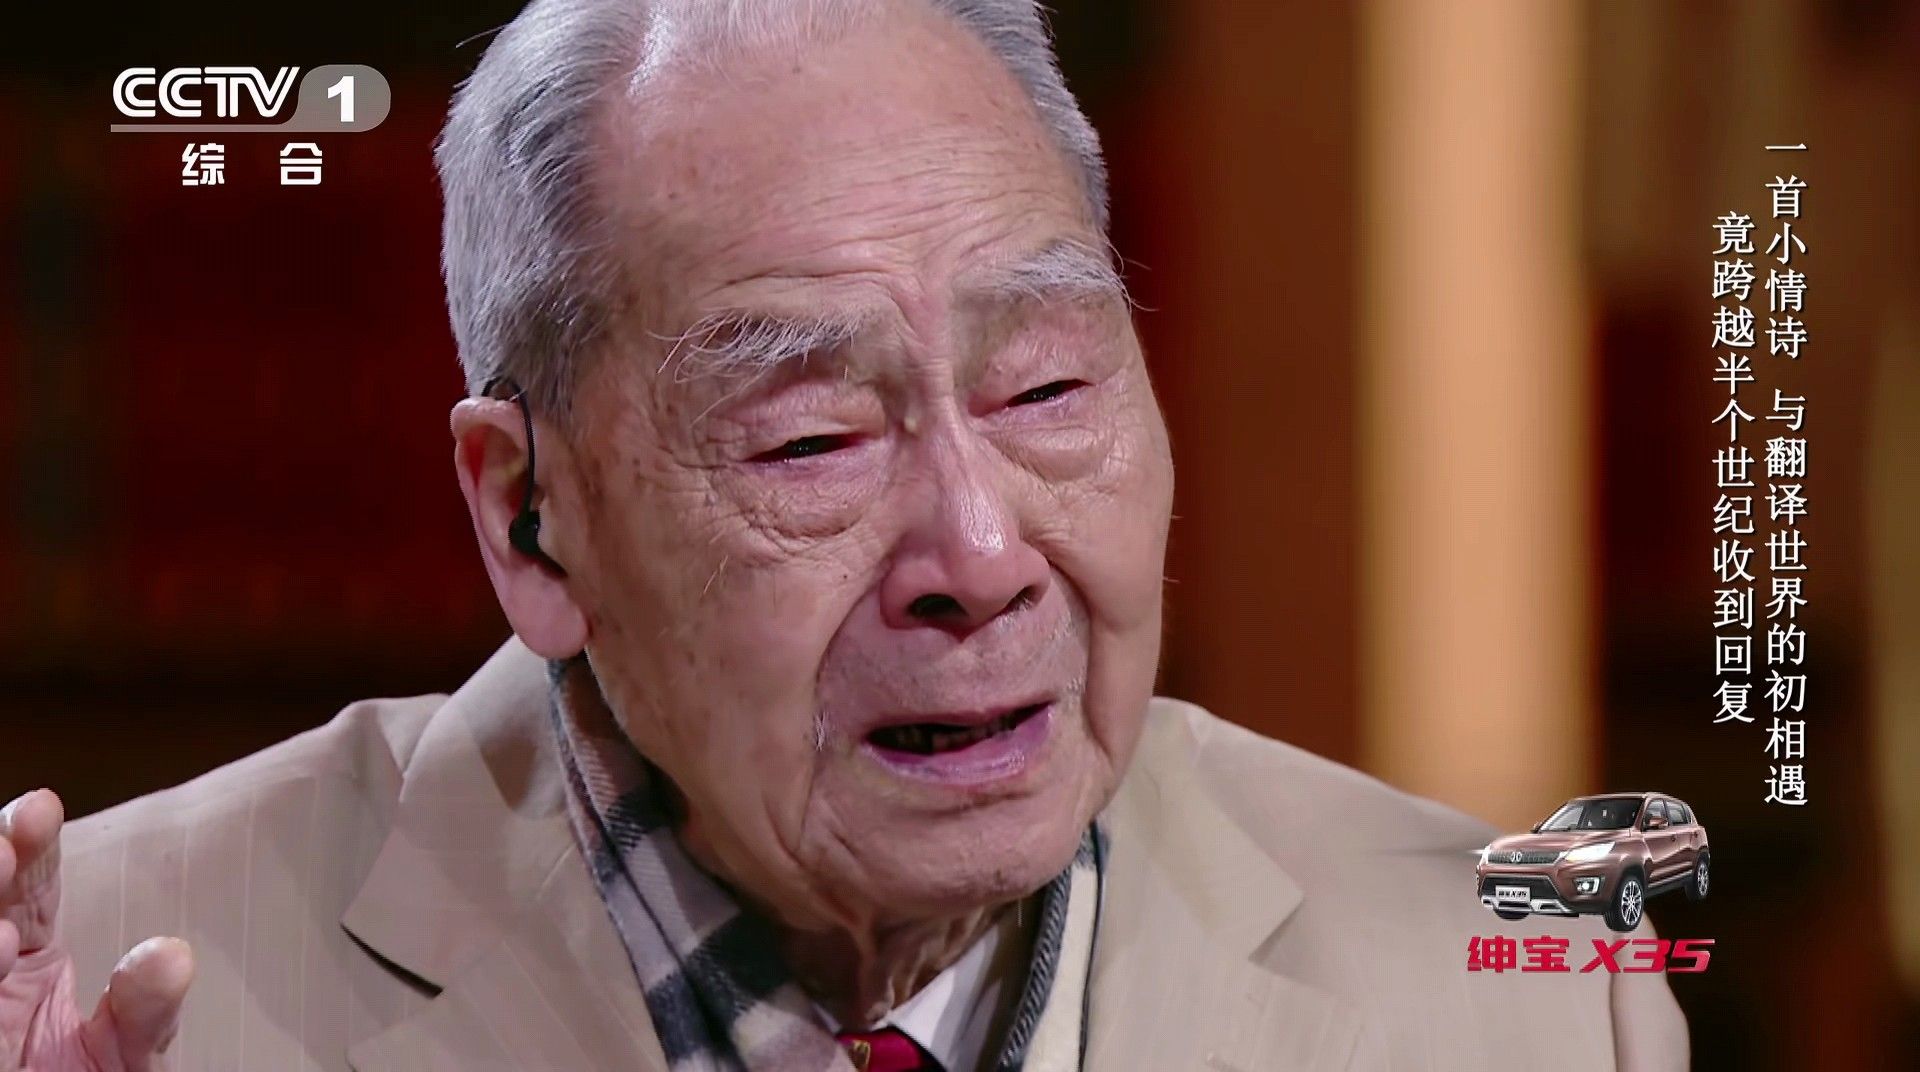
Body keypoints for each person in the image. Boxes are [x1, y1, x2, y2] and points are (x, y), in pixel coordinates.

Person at [0, 1, 1689, 1069]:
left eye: (1047, 389)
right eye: (811, 438)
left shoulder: (1533, 993)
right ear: (529, 516)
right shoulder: (106, 982)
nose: (982, 554)